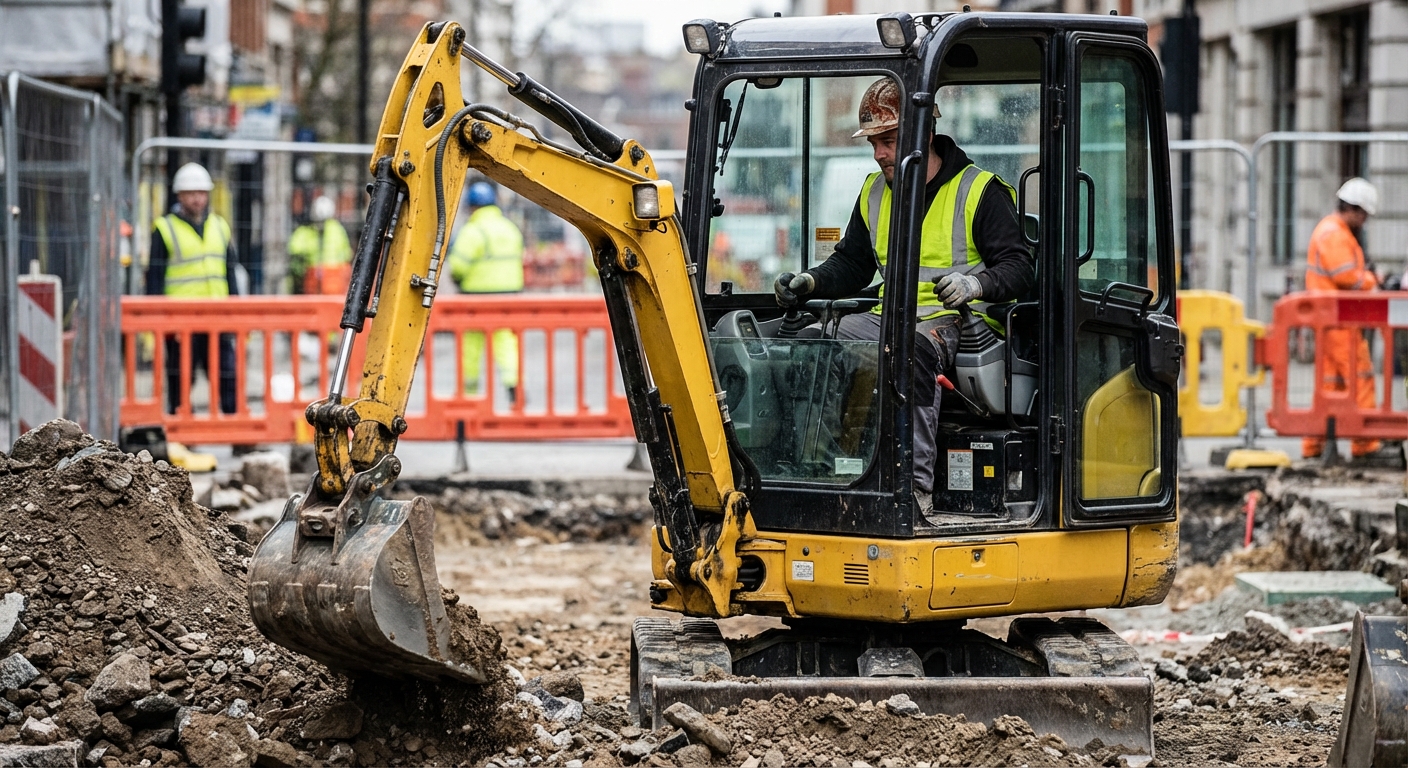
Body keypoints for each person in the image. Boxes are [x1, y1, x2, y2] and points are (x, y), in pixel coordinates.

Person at [772, 78, 1034, 513]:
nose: (878, 154)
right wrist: (811, 282)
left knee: (905, 350)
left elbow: (1019, 267)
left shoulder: (979, 191)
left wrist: (975, 285)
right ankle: (825, 475)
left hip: (957, 324)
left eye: (888, 141)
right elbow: (852, 264)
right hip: (888, 316)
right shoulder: (874, 192)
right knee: (812, 344)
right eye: (873, 143)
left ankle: (910, 492)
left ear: (923, 134)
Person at [146, 162, 240, 415]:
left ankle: (235, 427)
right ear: (180, 195)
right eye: (191, 193)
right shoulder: (164, 229)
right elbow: (154, 279)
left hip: (217, 317)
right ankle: (180, 432)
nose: (197, 199)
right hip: (180, 321)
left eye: (201, 193)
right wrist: (158, 321)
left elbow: (230, 273)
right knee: (181, 378)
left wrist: (236, 313)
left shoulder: (220, 226)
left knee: (227, 375)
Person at [1302, 177, 1384, 461]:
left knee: (1331, 385)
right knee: (1360, 374)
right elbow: (1346, 276)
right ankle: (1366, 444)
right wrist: (1372, 280)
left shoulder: (1330, 230)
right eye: (1363, 215)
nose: (1364, 221)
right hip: (1338, 319)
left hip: (1329, 318)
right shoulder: (1335, 234)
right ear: (1355, 209)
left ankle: (1314, 445)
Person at [448, 181, 526, 400]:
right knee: (506, 342)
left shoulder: (472, 231)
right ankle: (514, 386)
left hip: (475, 299)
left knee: (471, 346)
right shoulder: (510, 228)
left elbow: (458, 266)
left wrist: (458, 279)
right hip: (509, 297)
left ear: (472, 206)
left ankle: (468, 393)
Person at [288, 195, 353, 295]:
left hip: (330, 277)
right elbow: (347, 254)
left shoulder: (333, 229)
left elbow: (295, 250)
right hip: (325, 278)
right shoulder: (337, 229)